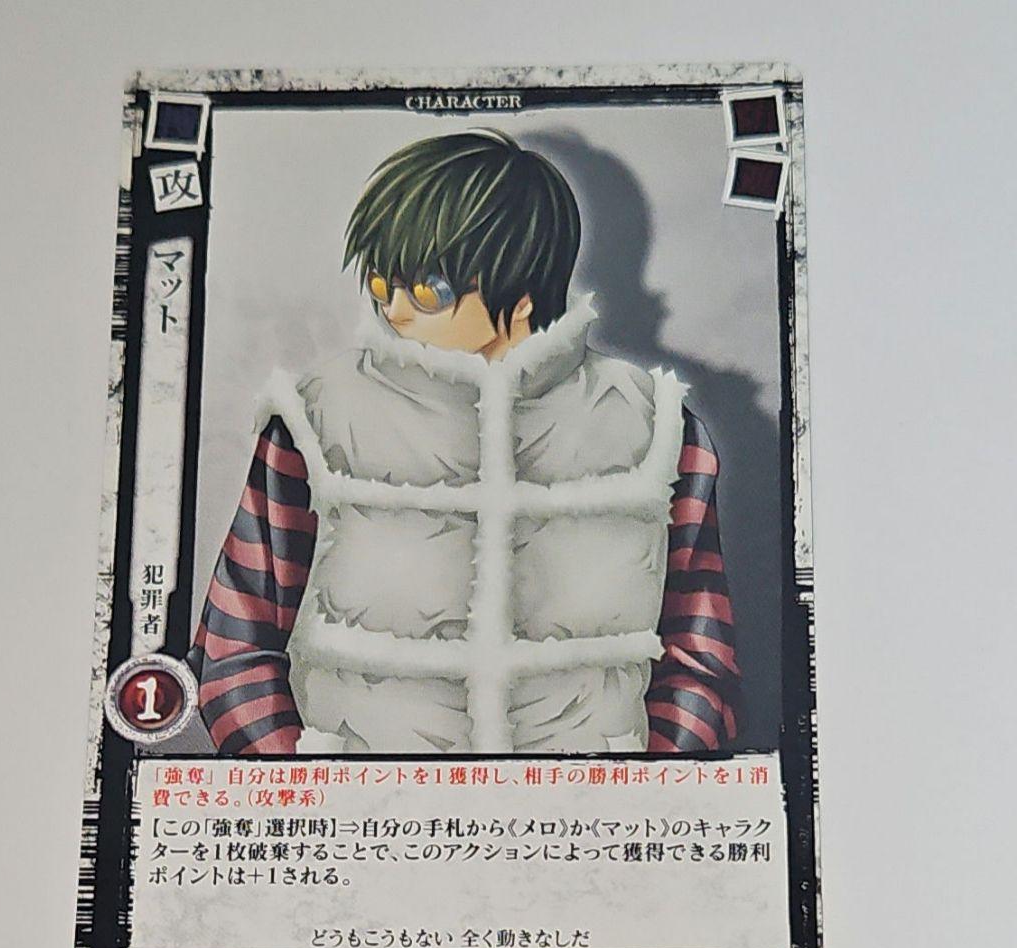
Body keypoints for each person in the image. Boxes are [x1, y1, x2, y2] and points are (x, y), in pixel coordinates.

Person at [187, 129, 739, 755]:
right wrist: (318, 791)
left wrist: (641, 791)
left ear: (522, 295)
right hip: (359, 813)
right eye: (382, 286)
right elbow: (235, 650)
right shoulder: (313, 418)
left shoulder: (656, 428)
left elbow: (700, 659)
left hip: (592, 814)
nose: (395, 310)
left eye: (428, 291)